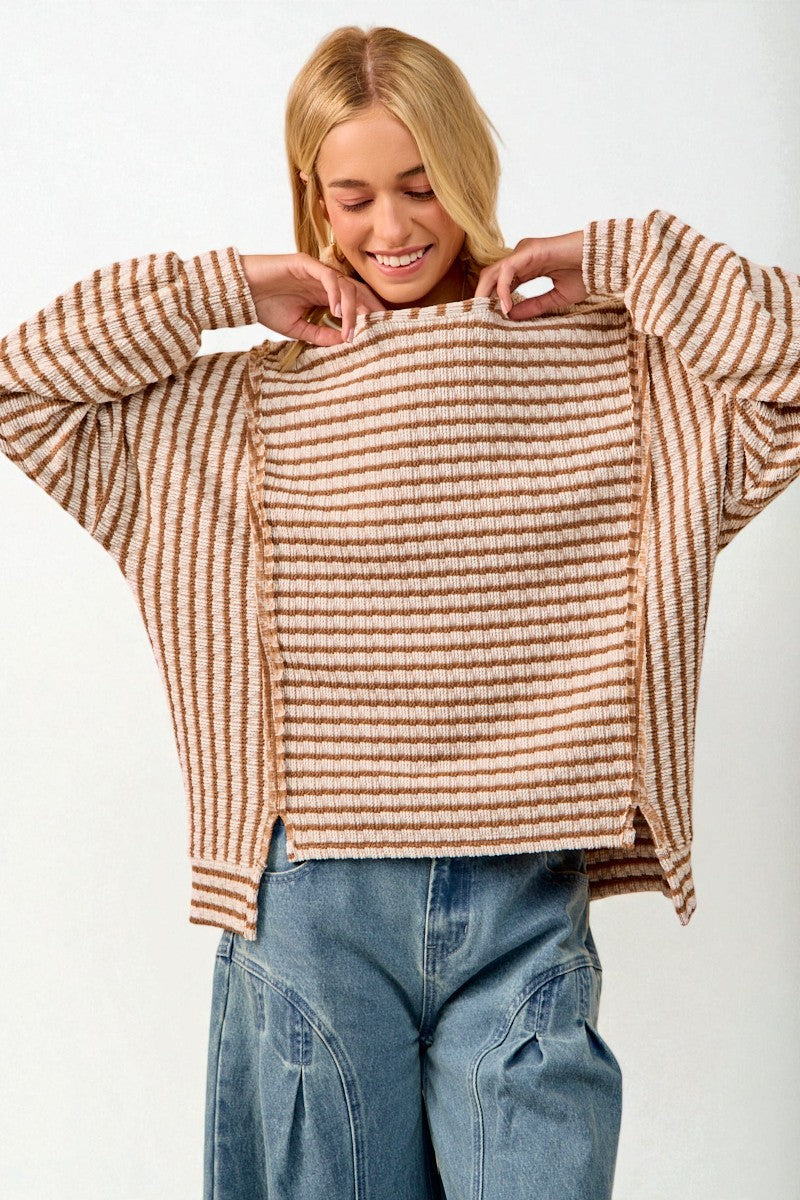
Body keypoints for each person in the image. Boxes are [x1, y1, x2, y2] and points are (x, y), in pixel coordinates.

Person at [2, 23, 799, 1200]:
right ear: (311, 199)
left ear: (470, 169)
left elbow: (783, 373)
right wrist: (223, 287)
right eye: (353, 195)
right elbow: (27, 386)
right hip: (314, 906)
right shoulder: (230, 413)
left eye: (421, 185)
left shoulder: (611, 378)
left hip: (522, 904)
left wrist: (624, 260)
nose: (391, 227)